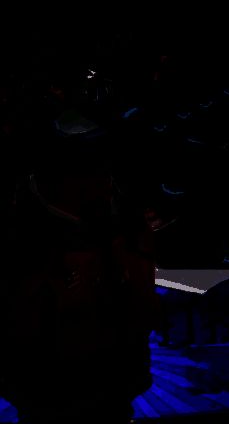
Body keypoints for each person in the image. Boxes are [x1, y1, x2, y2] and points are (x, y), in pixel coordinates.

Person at [1, 134, 160, 423]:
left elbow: (141, 306)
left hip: (100, 386)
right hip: (56, 392)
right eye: (100, 176)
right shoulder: (20, 234)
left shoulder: (122, 221)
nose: (108, 184)